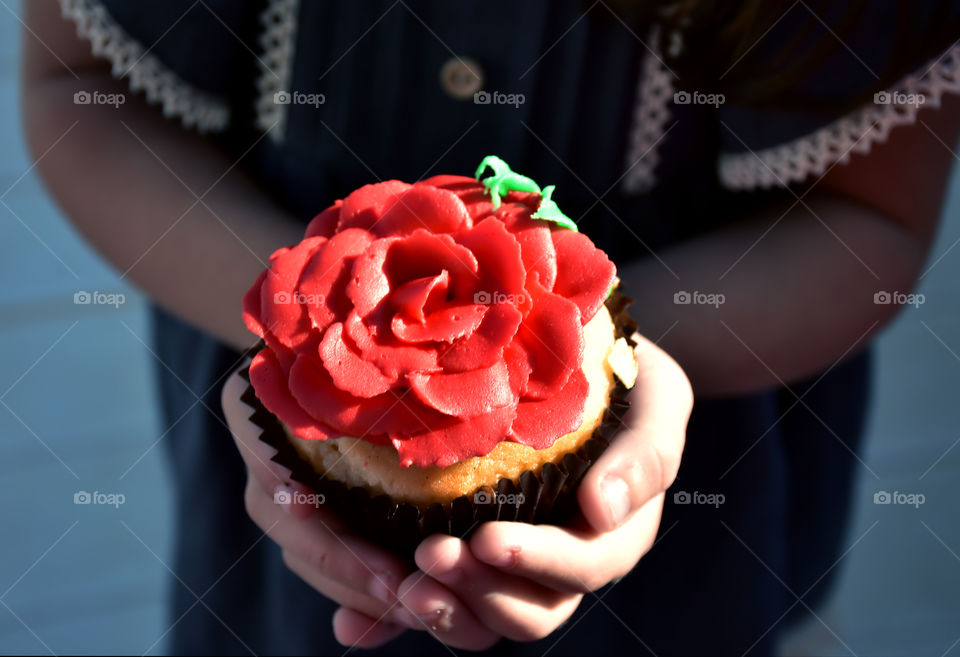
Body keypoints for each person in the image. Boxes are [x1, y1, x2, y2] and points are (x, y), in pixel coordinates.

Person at [23, 0, 960, 653]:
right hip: (275, 528)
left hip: (705, 511)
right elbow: (78, 88)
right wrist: (297, 327)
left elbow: (871, 218)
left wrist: (631, 363)